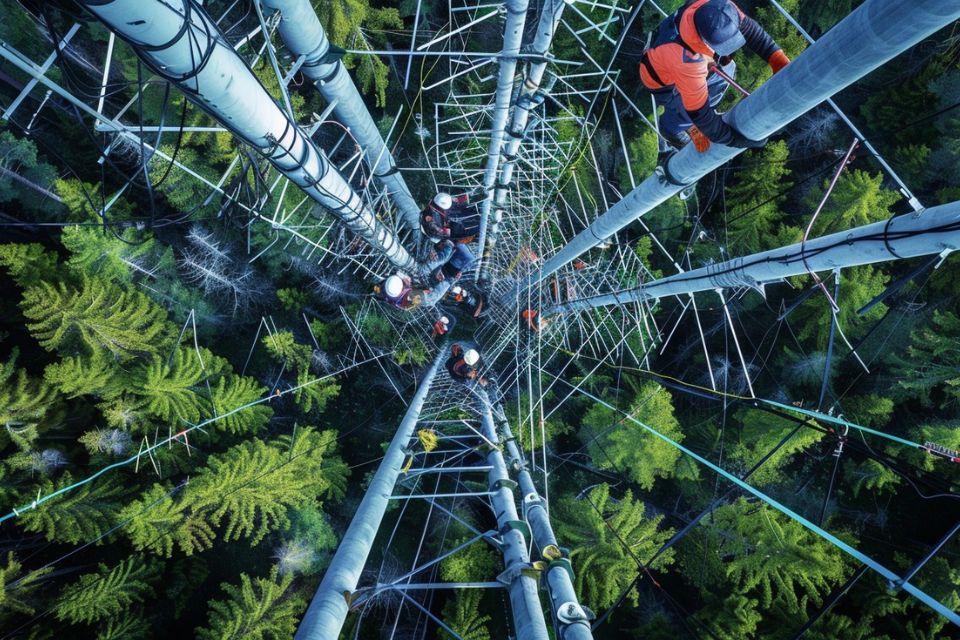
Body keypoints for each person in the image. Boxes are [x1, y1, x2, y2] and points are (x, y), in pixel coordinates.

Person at [638, 0, 789, 152]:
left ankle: (684, 119)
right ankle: (670, 129)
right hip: (661, 83)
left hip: (668, 46)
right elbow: (702, 116)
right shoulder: (688, 62)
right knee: (685, 114)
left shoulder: (720, 6)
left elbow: (750, 30)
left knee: (728, 68)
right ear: (705, 42)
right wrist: (736, 140)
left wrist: (779, 61)